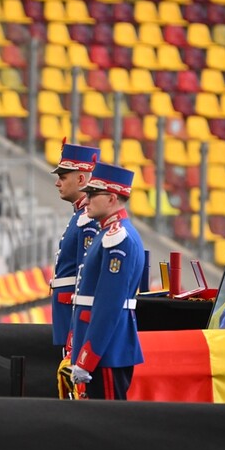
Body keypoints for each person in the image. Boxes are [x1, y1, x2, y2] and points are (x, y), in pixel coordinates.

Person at [68, 162, 144, 400]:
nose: (86, 199)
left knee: (108, 417)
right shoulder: (105, 233)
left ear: (112, 198)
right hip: (100, 348)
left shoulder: (118, 238)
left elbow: (108, 305)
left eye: (93, 194)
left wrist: (87, 358)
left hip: (106, 350)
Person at [49, 142, 100, 398]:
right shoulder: (79, 216)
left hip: (72, 316)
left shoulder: (87, 220)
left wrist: (75, 332)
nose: (57, 182)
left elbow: (83, 280)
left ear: (81, 179)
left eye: (63, 176)